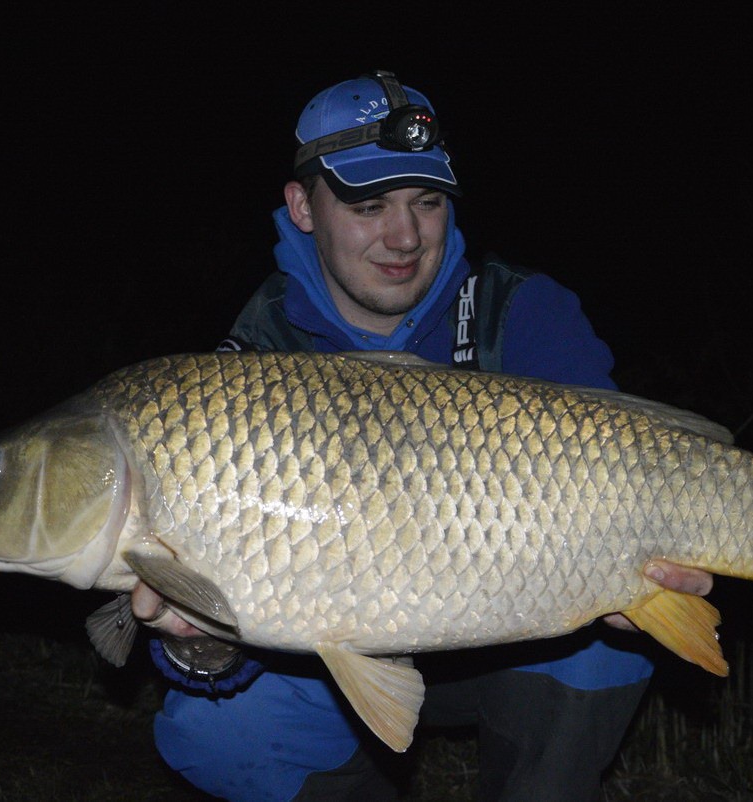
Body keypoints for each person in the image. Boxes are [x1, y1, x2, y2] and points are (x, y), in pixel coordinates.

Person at [130, 70, 714, 801]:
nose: (404, 236)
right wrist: (207, 643)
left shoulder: (522, 314)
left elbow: (622, 471)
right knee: (218, 733)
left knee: (598, 652)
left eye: (428, 202)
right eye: (369, 206)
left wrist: (646, 580)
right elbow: (241, 617)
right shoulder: (253, 363)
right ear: (302, 207)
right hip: (334, 662)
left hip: (518, 641)